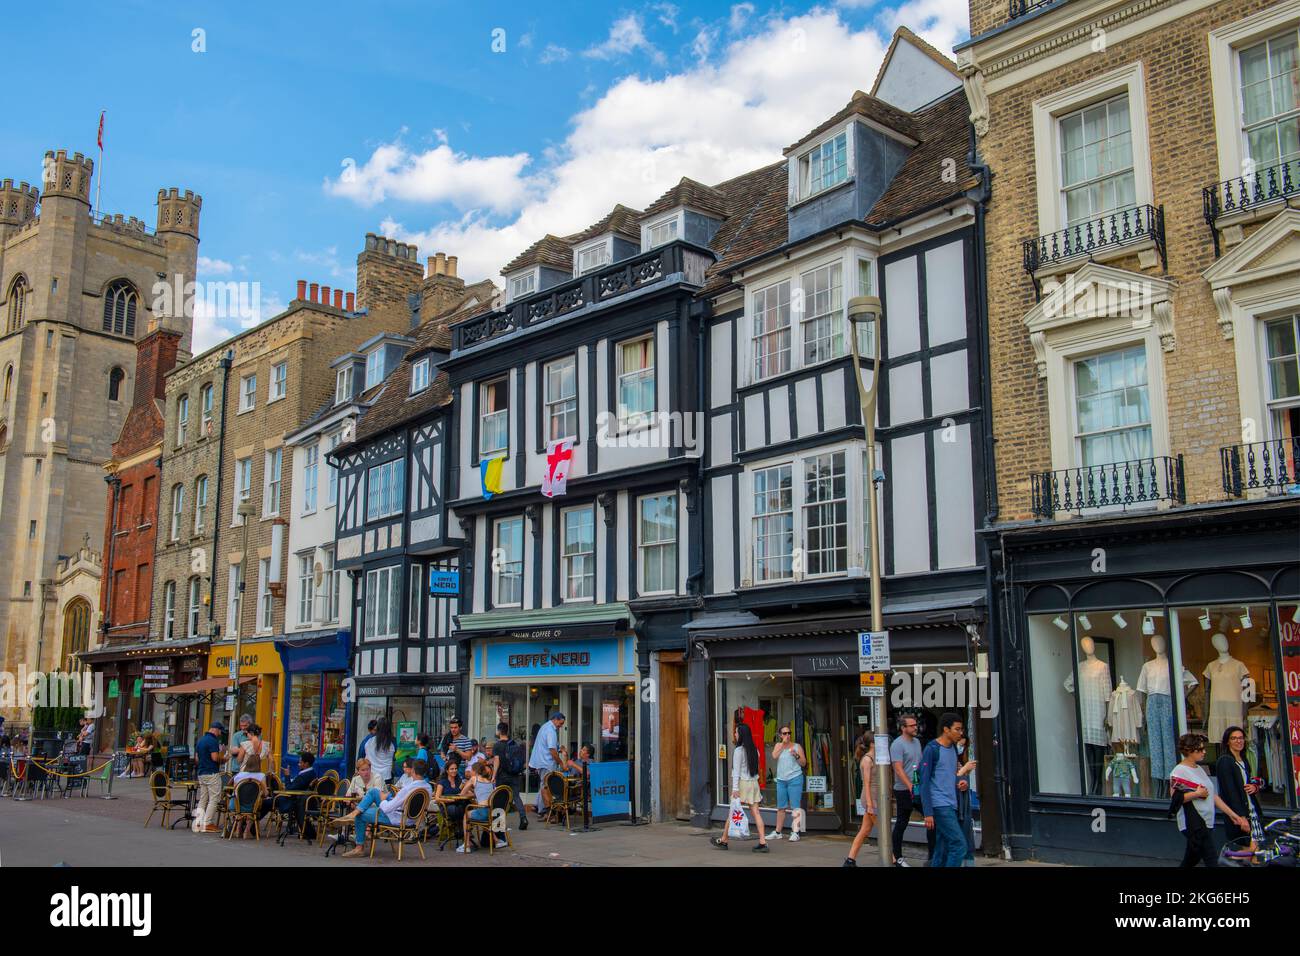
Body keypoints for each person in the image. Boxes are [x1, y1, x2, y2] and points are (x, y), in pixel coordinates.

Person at [1170, 733, 1244, 867]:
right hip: (1194, 823)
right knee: (1211, 859)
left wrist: (1233, 815)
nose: (1204, 752)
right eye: (1200, 749)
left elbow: (1213, 796)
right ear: (1189, 751)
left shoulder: (1199, 768)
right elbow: (1176, 798)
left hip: (1206, 821)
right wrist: (1197, 793)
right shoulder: (1179, 771)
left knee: (1191, 858)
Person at [339, 758, 433, 858]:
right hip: (412, 819)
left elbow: (388, 808)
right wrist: (390, 798)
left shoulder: (407, 789)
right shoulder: (428, 788)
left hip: (397, 818)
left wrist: (384, 800)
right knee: (374, 791)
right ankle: (355, 813)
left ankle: (359, 847)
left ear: (413, 770)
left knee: (361, 815)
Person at [919, 712, 969, 868]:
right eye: (957, 729)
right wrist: (928, 812)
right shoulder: (932, 749)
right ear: (946, 730)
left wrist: (960, 782)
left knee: (942, 848)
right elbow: (924, 782)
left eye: (961, 729)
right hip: (940, 805)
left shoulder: (953, 748)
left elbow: (949, 774)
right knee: (959, 846)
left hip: (951, 804)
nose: (961, 733)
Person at [711, 721, 769, 853]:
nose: (735, 734)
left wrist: (735, 788)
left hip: (742, 784)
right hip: (753, 784)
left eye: (736, 732)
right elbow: (756, 769)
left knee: (732, 813)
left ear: (741, 734)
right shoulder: (755, 750)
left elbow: (736, 772)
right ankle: (763, 842)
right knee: (757, 813)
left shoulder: (738, 751)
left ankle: (724, 840)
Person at [889, 714, 928, 866]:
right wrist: (910, 786)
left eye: (915, 725)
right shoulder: (897, 745)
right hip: (904, 790)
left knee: (931, 817)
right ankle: (897, 857)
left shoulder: (917, 742)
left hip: (919, 787)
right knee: (902, 822)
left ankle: (934, 855)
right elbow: (897, 769)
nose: (915, 727)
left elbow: (921, 763)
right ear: (903, 728)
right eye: (911, 725)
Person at [1214, 726, 1261, 848]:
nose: (1238, 741)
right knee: (1251, 850)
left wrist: (1254, 787)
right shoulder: (1225, 761)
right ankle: (1228, 860)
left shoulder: (1243, 759)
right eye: (1234, 738)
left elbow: (1249, 781)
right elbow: (1230, 792)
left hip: (1252, 810)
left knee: (1254, 850)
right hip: (1240, 813)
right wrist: (1241, 817)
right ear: (1227, 741)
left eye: (1241, 738)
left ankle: (1230, 860)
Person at [843, 734, 878, 866]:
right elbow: (867, 784)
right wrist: (869, 804)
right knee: (882, 829)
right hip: (871, 798)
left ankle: (850, 860)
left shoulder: (877, 757)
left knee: (865, 830)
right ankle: (893, 859)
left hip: (875, 797)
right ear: (872, 744)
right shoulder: (867, 760)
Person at [770, 724, 807, 842]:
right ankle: (777, 832)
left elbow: (804, 763)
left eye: (789, 733)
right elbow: (774, 756)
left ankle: (796, 832)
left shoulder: (797, 746)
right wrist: (783, 745)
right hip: (781, 780)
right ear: (780, 735)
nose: (787, 735)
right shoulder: (778, 745)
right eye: (785, 733)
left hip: (795, 778)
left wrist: (795, 754)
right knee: (781, 807)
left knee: (795, 806)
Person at [462, 759, 507, 853]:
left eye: (471, 770)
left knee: (466, 815)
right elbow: (481, 793)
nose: (470, 772)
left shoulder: (474, 779)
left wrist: (468, 789)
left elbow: (462, 793)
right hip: (493, 813)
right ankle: (497, 841)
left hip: (483, 812)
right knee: (483, 822)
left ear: (474, 771)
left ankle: (466, 845)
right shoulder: (489, 781)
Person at [490, 722, 529, 831]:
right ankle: (523, 818)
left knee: (500, 798)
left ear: (498, 731)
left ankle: (499, 824)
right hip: (514, 775)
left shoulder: (497, 745)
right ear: (507, 731)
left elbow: (496, 761)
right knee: (516, 797)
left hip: (502, 776)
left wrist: (493, 775)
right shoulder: (514, 744)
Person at [192, 720, 228, 834]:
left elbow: (197, 759)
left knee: (203, 798)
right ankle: (207, 823)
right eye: (220, 732)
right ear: (216, 730)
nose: (220, 734)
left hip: (201, 772)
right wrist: (224, 757)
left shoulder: (201, 740)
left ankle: (198, 821)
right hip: (212, 772)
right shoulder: (213, 741)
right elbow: (215, 758)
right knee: (214, 798)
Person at [276, 751, 320, 839]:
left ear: (306, 764)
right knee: (268, 801)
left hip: (293, 800)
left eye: (300, 762)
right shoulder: (309, 773)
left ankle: (250, 827)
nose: (298, 764)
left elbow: (289, 789)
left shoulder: (305, 775)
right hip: (297, 798)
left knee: (269, 802)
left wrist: (287, 776)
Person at [528, 712, 565, 814]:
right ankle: (544, 810)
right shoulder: (551, 731)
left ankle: (538, 806)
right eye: (560, 723)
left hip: (540, 761)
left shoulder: (545, 726)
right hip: (546, 762)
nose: (561, 726)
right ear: (555, 719)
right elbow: (552, 750)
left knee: (543, 784)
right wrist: (561, 763)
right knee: (547, 786)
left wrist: (558, 749)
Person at [434, 757, 471, 842]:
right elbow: (437, 798)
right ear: (447, 770)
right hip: (447, 806)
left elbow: (470, 793)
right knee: (455, 809)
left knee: (466, 806)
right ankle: (462, 830)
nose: (454, 770)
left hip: (459, 804)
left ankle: (462, 831)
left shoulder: (459, 781)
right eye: (451, 769)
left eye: (455, 769)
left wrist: (464, 793)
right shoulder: (442, 782)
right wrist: (450, 800)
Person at [954, 733, 978, 866]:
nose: (961, 747)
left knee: (966, 837)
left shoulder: (961, 759)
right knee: (958, 839)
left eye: (963, 745)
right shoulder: (948, 758)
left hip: (964, 801)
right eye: (959, 744)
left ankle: (968, 863)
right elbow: (947, 780)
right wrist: (964, 770)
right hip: (954, 804)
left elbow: (960, 780)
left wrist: (964, 782)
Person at [365, 718, 396, 784]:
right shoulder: (392, 742)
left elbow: (366, 758)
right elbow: (393, 758)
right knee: (385, 794)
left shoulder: (370, 741)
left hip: (373, 775)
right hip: (386, 776)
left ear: (377, 727)